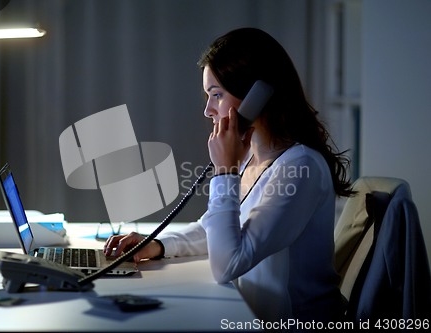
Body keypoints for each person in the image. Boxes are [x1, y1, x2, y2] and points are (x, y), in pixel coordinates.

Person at [104, 28, 354, 324]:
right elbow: (215, 229)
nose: (209, 110)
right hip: (254, 316)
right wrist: (157, 245)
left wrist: (225, 171)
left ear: (257, 95)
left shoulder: (300, 167)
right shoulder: (252, 155)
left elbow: (228, 263)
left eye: (217, 95)